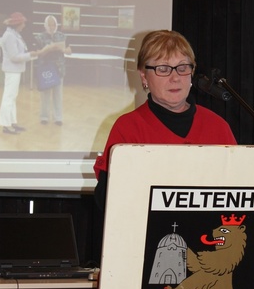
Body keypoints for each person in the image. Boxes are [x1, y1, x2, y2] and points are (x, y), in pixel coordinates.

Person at [94, 29, 237, 210]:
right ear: (144, 76)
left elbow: (238, 190)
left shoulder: (217, 127)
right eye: (163, 69)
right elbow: (107, 200)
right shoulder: (128, 128)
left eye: (182, 68)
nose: (175, 78)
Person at [0, 11, 39, 135]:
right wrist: (30, 55)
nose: (24, 25)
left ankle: (12, 122)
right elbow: (14, 57)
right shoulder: (10, 36)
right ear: (17, 24)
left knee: (12, 97)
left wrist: (30, 55)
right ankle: (6, 125)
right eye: (23, 23)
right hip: (12, 71)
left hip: (15, 70)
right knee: (8, 97)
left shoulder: (14, 34)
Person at [35, 15, 72, 125]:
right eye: (49, 25)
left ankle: (58, 118)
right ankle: (44, 117)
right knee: (45, 94)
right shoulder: (39, 37)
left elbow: (69, 50)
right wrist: (47, 49)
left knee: (58, 94)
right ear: (45, 25)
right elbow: (37, 53)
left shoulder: (62, 36)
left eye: (54, 24)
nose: (52, 27)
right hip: (46, 69)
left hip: (59, 69)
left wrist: (63, 49)